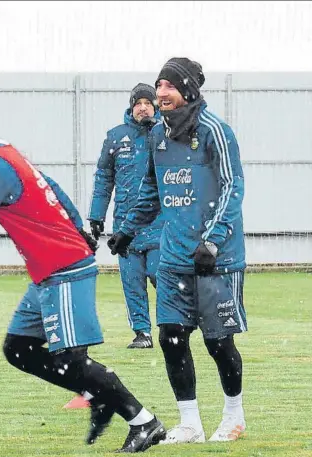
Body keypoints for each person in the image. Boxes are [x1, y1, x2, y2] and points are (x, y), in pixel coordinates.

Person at [0, 96, 166, 453]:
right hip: (49, 268)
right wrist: (78, 225)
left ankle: (144, 422)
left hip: (64, 266)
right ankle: (95, 395)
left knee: (71, 359)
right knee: (19, 348)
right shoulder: (3, 151)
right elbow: (51, 185)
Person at [108, 58, 247, 443]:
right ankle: (190, 423)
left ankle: (234, 416)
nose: (161, 92)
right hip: (173, 256)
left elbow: (232, 188)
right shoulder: (157, 136)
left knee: (218, 342)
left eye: (169, 85)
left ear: (188, 90)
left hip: (215, 259)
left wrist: (213, 240)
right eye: (159, 85)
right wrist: (127, 231)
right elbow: (151, 191)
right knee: (171, 336)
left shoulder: (216, 131)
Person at [88, 83, 163, 349]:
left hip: (158, 224)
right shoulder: (116, 137)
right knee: (132, 282)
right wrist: (96, 215)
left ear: (155, 106)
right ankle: (142, 333)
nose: (143, 107)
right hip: (124, 226)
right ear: (131, 107)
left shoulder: (166, 135)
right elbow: (103, 179)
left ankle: (171, 326)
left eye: (148, 102)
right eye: (138, 103)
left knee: (159, 275)